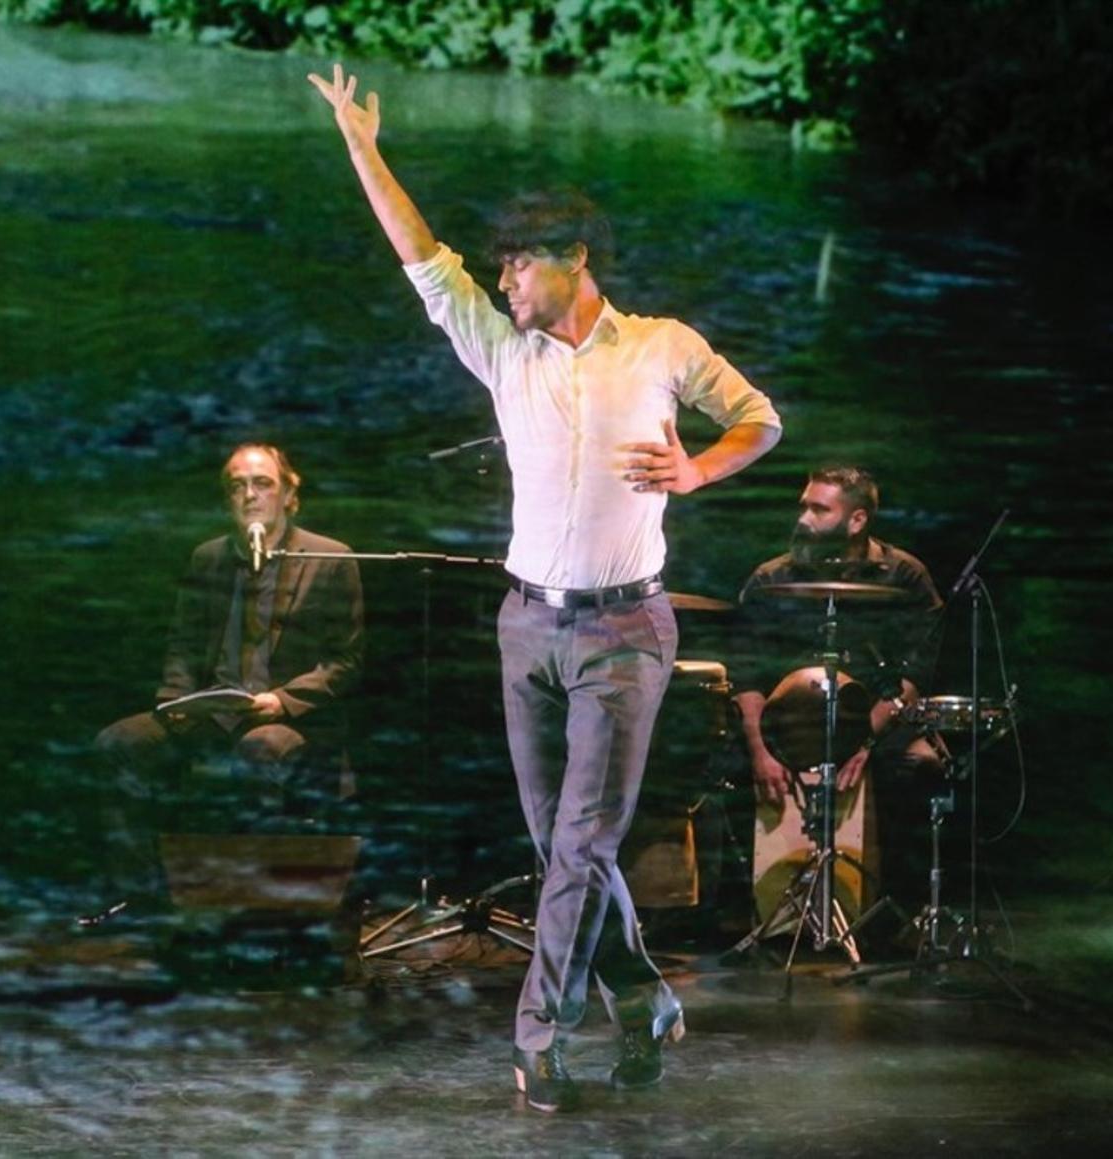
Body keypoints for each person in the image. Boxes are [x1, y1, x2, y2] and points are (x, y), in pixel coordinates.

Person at [309, 65, 781, 1113]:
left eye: (517, 264)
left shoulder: (660, 347)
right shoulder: (502, 353)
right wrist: (361, 145)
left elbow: (761, 417)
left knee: (581, 843)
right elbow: (421, 259)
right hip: (527, 626)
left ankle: (540, 1038)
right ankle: (647, 999)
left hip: (624, 628)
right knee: (560, 846)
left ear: (571, 262)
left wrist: (700, 468)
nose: (503, 279)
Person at [85, 443, 365, 923]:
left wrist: (283, 700)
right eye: (237, 486)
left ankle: (251, 911)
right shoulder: (208, 558)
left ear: (289, 495)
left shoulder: (329, 556)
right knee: (117, 744)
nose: (250, 495)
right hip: (211, 713)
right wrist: (175, 701)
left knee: (259, 752)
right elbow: (183, 643)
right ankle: (144, 898)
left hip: (287, 719)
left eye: (262, 484)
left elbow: (346, 659)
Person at [733, 466, 945, 907]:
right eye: (804, 506)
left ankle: (894, 909)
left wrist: (863, 740)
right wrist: (760, 749)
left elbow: (913, 677)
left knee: (919, 766)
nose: (804, 518)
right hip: (786, 728)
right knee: (721, 766)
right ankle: (748, 907)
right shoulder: (771, 581)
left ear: (858, 520)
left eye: (819, 508)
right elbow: (747, 674)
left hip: (876, 724)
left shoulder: (904, 578)